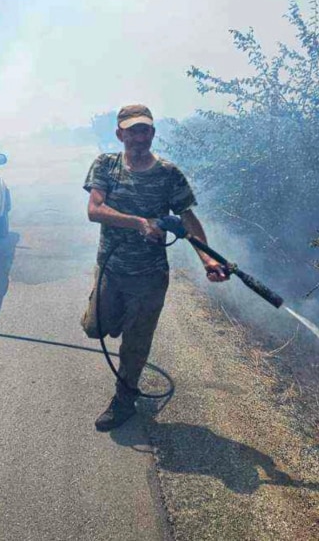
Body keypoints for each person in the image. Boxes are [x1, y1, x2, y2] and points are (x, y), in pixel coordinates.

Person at [82, 104, 229, 431]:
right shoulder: (105, 165)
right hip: (111, 268)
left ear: (152, 133)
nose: (139, 136)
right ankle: (113, 314)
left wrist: (208, 258)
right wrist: (140, 223)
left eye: (144, 129)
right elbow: (95, 209)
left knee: (136, 343)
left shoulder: (168, 173)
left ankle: (124, 400)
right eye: (132, 130)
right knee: (94, 328)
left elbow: (187, 218)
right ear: (120, 133)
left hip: (149, 277)